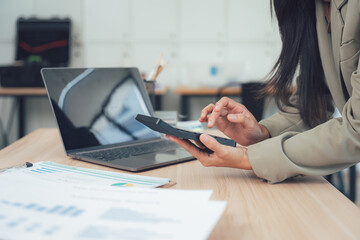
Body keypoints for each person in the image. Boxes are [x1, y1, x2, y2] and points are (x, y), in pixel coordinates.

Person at [166, 0, 360, 183]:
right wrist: (262, 133)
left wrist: (250, 158)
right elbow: (313, 99)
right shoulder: (315, 6)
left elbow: (357, 129)